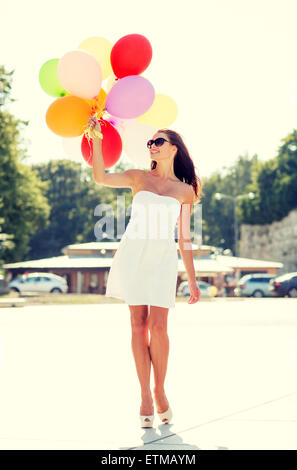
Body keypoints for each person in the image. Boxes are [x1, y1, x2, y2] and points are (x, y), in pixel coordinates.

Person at [88, 116, 203, 428]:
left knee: (160, 327)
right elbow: (100, 177)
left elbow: (185, 238)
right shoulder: (137, 176)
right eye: (149, 142)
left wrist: (192, 280)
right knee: (138, 325)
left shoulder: (185, 190)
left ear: (174, 148)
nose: (151, 146)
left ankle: (160, 390)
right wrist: (96, 139)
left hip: (163, 258)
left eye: (158, 141)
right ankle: (144, 396)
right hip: (134, 253)